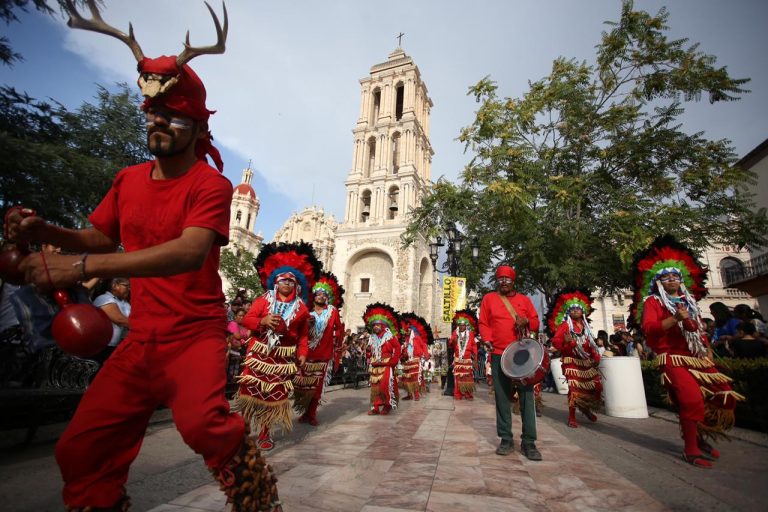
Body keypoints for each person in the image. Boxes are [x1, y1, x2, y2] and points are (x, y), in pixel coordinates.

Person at [5, 4, 286, 510]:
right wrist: (43, 229)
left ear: (198, 127)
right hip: (141, 339)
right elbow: (96, 236)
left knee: (204, 425)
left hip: (193, 335)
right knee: (80, 447)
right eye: (152, 113)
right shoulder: (128, 179)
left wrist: (83, 268)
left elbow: (187, 251)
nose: (157, 121)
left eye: (171, 115)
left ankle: (256, 498)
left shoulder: (211, 185)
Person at [631, 234, 744, 469]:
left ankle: (699, 437)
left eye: (675, 276)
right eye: (666, 277)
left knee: (724, 395)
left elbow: (699, 330)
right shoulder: (653, 302)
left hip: (698, 357)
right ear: (658, 281)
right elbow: (650, 331)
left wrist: (706, 349)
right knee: (691, 400)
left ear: (681, 279)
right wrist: (674, 319)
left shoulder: (689, 301)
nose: (671, 280)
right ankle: (690, 448)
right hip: (672, 357)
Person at [235, 242, 319, 451]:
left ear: (297, 285)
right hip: (259, 354)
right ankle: (243, 432)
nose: (287, 284)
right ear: (276, 282)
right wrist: (262, 322)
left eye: (291, 281)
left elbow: (303, 336)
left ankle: (265, 433)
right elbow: (247, 320)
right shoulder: (264, 300)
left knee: (274, 395)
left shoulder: (301, 310)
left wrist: (302, 354)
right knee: (251, 393)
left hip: (281, 359)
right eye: (283, 280)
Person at [479, 265, 542, 460]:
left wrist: (527, 323)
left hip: (521, 353)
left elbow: (535, 321)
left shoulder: (524, 300)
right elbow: (483, 322)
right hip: (499, 353)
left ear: (513, 282)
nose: (503, 283)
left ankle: (529, 441)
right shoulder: (489, 299)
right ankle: (505, 438)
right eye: (500, 280)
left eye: (507, 280)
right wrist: (487, 339)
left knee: (526, 396)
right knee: (502, 397)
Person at [293, 271, 344, 426]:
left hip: (323, 355)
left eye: (324, 294)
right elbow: (298, 330)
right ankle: (304, 412)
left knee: (317, 387)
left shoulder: (332, 311)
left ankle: (312, 413)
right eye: (318, 294)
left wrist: (337, 344)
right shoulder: (306, 312)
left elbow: (339, 329)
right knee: (304, 385)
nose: (321, 296)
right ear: (313, 296)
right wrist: (307, 325)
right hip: (306, 354)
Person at [547, 289, 602, 428]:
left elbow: (591, 344)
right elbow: (556, 343)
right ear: (568, 312)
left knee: (596, 386)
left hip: (586, 361)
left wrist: (596, 357)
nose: (576, 311)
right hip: (571, 361)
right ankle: (572, 416)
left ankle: (585, 408)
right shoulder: (565, 325)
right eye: (572, 309)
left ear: (583, 311)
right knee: (574, 390)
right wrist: (568, 343)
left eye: (578, 308)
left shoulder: (586, 327)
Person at [363, 302, 401, 415]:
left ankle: (387, 405)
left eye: (378, 325)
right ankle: (375, 407)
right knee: (375, 387)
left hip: (387, 364)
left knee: (385, 386)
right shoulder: (372, 338)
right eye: (374, 325)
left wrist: (393, 361)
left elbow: (398, 348)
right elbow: (370, 351)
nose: (375, 327)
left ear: (383, 326)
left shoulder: (390, 336)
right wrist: (369, 353)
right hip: (375, 365)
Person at [92, 278, 132, 364]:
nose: (129, 289)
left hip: (115, 347)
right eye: (126, 286)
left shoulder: (126, 304)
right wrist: (143, 326)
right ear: (114, 286)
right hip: (101, 347)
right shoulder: (104, 298)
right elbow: (119, 319)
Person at [399, 312, 432, 401]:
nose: (406, 331)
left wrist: (426, 356)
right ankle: (409, 394)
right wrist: (402, 355)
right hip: (407, 361)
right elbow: (403, 349)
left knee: (415, 378)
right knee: (407, 378)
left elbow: (424, 346)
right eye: (405, 330)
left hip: (416, 360)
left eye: (408, 330)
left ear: (411, 330)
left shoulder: (417, 338)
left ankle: (416, 394)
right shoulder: (405, 340)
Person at [449, 309, 479, 400]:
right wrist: (453, 340)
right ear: (458, 325)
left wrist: (475, 357)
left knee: (468, 377)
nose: (462, 327)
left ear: (466, 326)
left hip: (467, 359)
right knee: (458, 377)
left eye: (463, 325)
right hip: (458, 359)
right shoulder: (455, 333)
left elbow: (474, 346)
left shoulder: (470, 334)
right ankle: (458, 394)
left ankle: (468, 394)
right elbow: (450, 343)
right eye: (460, 325)